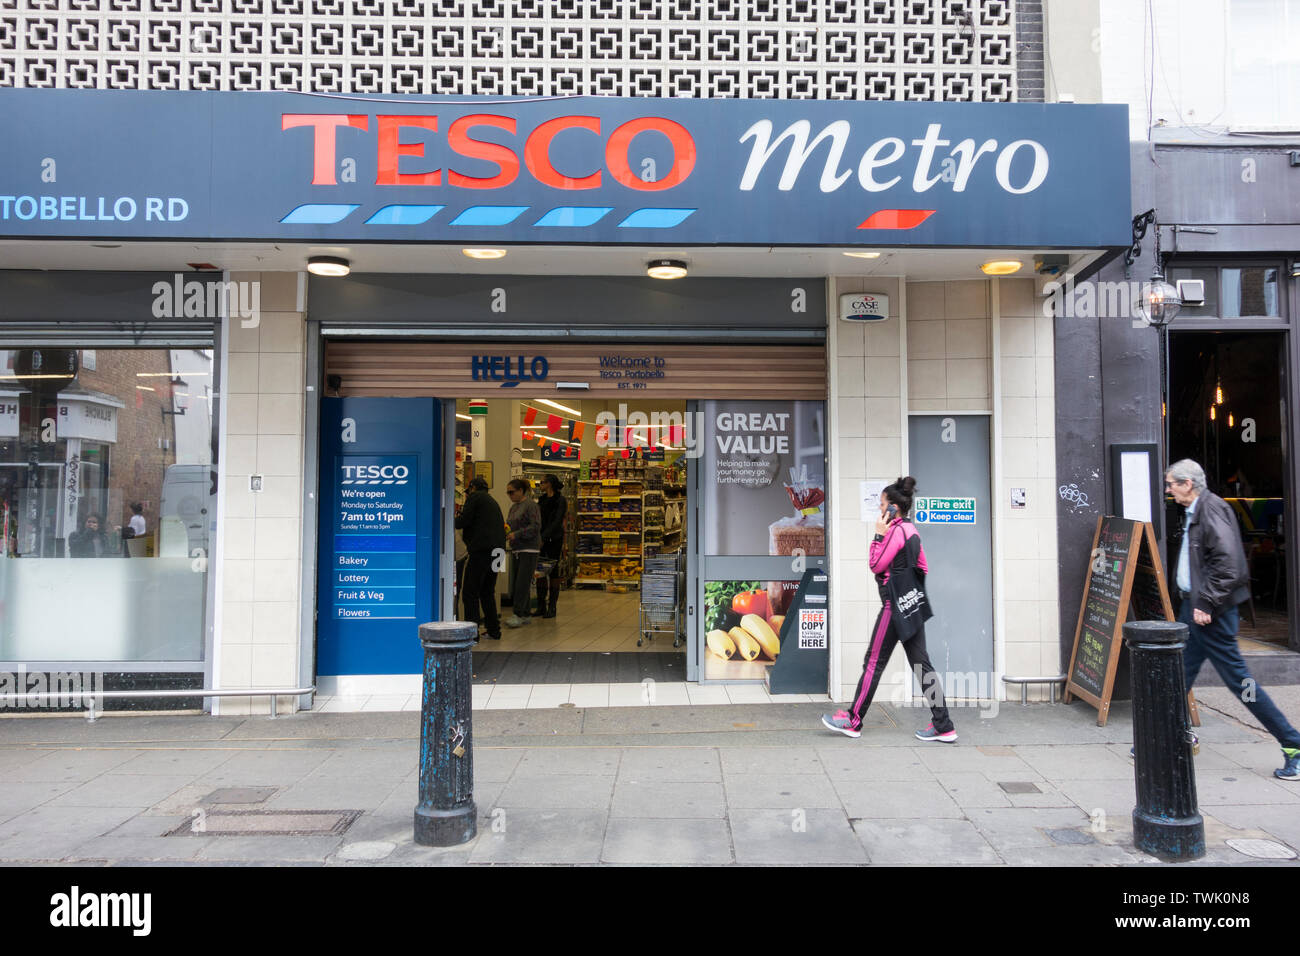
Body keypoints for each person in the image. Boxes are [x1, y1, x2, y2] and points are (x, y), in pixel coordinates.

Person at [1164, 459, 1300, 780]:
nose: (1168, 489)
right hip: (1194, 609)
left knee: (1241, 684)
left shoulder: (1211, 510)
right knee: (1178, 676)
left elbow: (1229, 565)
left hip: (1211, 614)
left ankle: (1292, 742)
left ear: (1187, 484)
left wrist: (1207, 603)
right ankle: (1167, 739)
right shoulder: (1196, 509)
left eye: (1171, 483)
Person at [821, 476, 957, 742]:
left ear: (893, 507)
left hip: (893, 607)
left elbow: (875, 564)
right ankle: (944, 724)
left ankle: (853, 719)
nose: (879, 509)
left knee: (873, 663)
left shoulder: (894, 531)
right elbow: (923, 567)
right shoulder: (912, 530)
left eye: (882, 504)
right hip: (912, 606)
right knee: (922, 665)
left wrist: (877, 535)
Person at [455, 476, 506, 641]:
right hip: (499, 550)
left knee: (470, 593)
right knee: (488, 591)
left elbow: (463, 521)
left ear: (473, 488)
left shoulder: (475, 498)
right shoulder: (492, 501)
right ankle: (494, 630)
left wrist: (449, 519)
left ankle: (472, 634)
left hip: (483, 550)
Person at [504, 478, 542, 628]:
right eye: (508, 493)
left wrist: (517, 534)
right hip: (517, 549)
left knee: (522, 583)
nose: (510, 495)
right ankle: (525, 613)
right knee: (520, 582)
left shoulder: (531, 506)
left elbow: (536, 526)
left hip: (529, 548)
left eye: (512, 492)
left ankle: (518, 613)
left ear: (521, 491)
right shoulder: (514, 507)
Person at [535, 473, 567, 620]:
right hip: (541, 539)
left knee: (553, 571)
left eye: (542, 482)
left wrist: (545, 536)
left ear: (549, 484)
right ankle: (541, 605)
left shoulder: (561, 501)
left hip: (554, 539)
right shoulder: (541, 500)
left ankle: (552, 606)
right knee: (540, 571)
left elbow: (557, 521)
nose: (540, 485)